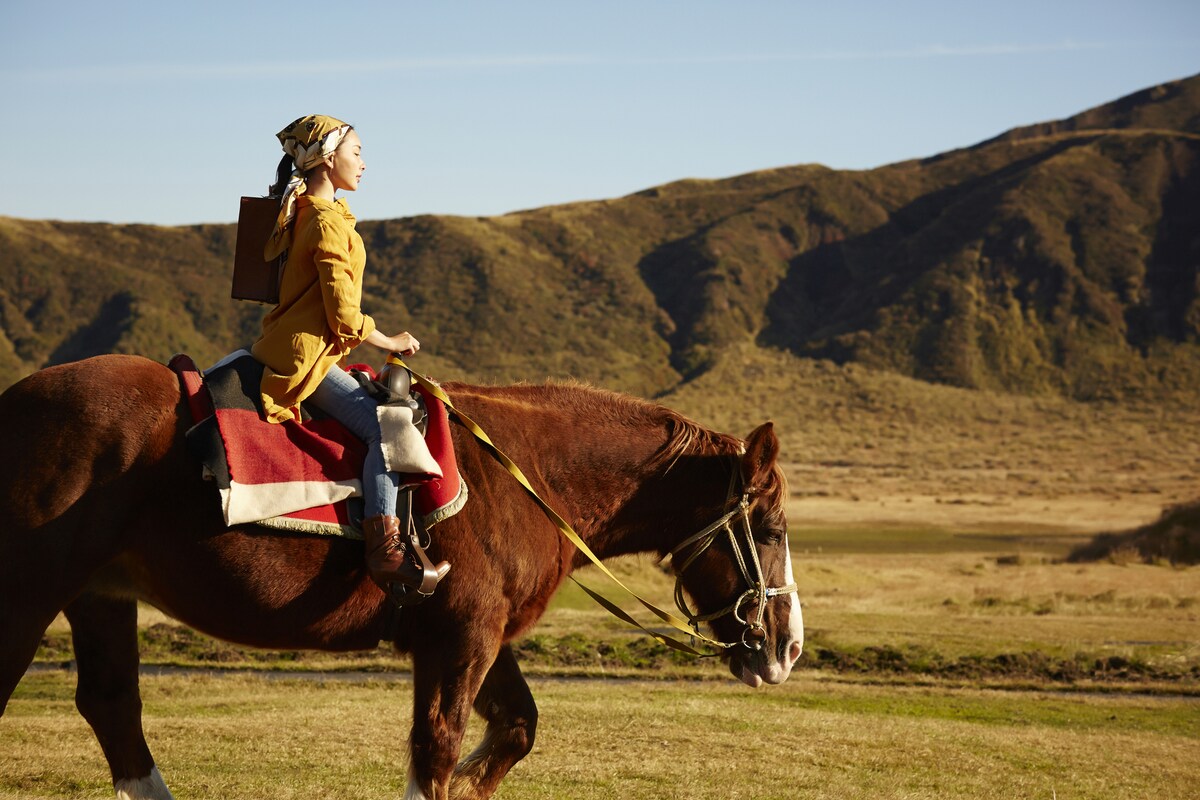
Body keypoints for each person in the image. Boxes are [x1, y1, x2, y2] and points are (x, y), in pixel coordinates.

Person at [251, 114, 449, 594]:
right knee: (388, 429)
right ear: (326, 158)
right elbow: (344, 316)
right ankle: (387, 550)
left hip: (297, 346)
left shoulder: (304, 208)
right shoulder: (323, 221)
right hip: (308, 359)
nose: (363, 163)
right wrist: (392, 341)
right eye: (356, 152)